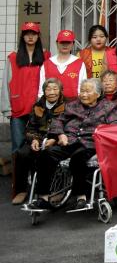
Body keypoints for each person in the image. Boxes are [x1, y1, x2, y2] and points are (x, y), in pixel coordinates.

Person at [31, 78, 117, 211]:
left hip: (91, 143)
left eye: (87, 91)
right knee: (46, 155)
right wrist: (60, 134)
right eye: (82, 91)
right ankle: (44, 197)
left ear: (98, 94)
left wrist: (101, 135)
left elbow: (116, 125)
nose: (83, 94)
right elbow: (58, 120)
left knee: (77, 158)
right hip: (69, 140)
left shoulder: (109, 107)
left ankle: (81, 197)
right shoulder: (73, 105)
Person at [11, 78, 65, 205]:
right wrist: (34, 139)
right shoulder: (37, 106)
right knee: (22, 153)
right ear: (44, 91)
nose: (52, 92)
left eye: (55, 89)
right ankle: (21, 190)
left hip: (56, 140)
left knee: (50, 154)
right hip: (39, 139)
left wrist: (54, 139)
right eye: (48, 89)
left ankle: (57, 190)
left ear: (60, 91)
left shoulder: (67, 106)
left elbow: (68, 127)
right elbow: (30, 128)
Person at [3, 22, 49, 155]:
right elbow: (6, 83)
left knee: (39, 145)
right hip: (18, 107)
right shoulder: (13, 57)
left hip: (40, 108)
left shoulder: (46, 56)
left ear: (38, 36)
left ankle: (35, 170)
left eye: (33, 34)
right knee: (18, 146)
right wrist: (6, 108)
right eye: (27, 34)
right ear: (22, 36)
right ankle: (18, 169)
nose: (30, 36)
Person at [39, 29, 87, 101]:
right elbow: (41, 90)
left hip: (73, 104)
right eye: (62, 42)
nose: (65, 45)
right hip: (51, 105)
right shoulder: (47, 64)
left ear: (73, 44)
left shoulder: (79, 63)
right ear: (57, 43)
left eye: (68, 42)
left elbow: (83, 87)